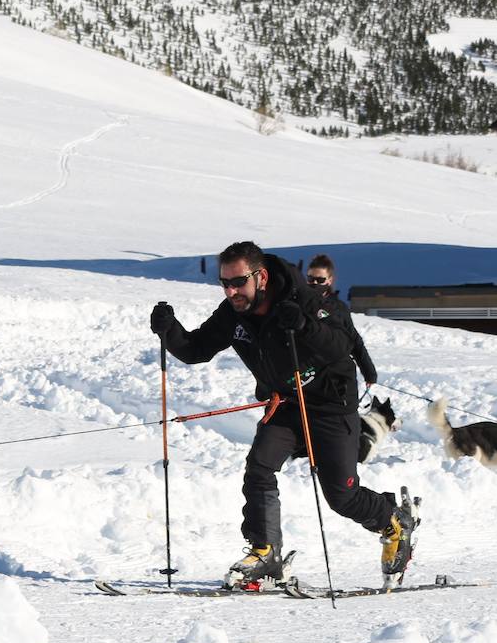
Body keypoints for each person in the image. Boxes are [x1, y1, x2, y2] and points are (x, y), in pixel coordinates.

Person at [149, 242, 417, 589]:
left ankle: (394, 522)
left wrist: (305, 326)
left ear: (260, 276)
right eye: (224, 283)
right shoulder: (234, 311)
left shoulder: (303, 298)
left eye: (238, 282)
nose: (231, 291)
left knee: (341, 495)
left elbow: (340, 345)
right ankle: (265, 553)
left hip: (330, 404)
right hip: (287, 403)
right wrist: (169, 330)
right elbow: (196, 349)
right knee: (260, 467)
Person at [306, 253, 377, 391]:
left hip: (334, 375)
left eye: (320, 280)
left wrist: (369, 373)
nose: (314, 283)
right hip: (307, 374)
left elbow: (354, 340)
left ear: (329, 280)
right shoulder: (299, 304)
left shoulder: (338, 308)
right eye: (311, 279)